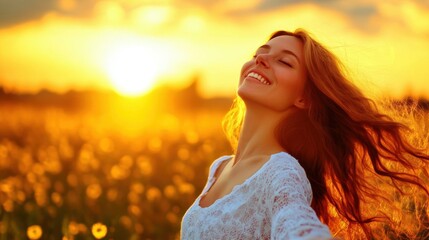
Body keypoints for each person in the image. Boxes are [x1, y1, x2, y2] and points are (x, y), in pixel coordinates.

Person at [180, 29, 429, 239]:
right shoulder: (219, 168)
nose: (260, 60)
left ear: (304, 98)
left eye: (284, 61)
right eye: (259, 53)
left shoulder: (282, 171)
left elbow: (295, 221)